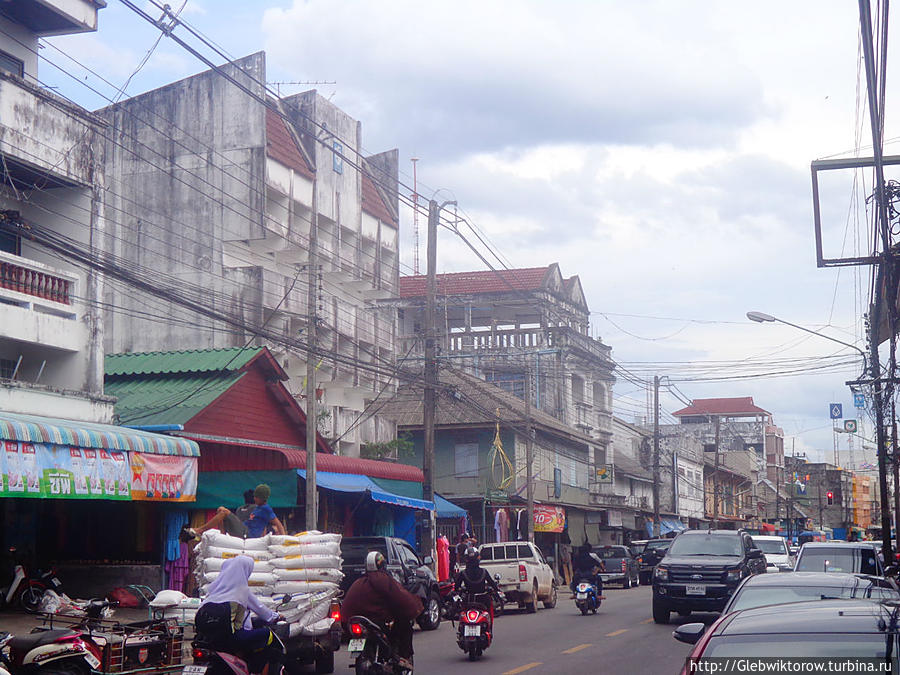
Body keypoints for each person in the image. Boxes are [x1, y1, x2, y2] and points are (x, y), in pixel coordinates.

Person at [194, 556, 283, 674]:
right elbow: (262, 611)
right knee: (267, 635)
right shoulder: (241, 591)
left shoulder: (215, 589)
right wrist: (276, 616)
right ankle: (257, 670)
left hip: (209, 639)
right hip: (233, 637)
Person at [341, 551, 423, 671]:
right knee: (403, 625)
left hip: (352, 622)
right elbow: (401, 598)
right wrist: (415, 605)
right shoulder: (384, 580)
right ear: (382, 565)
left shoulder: (359, 582)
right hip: (374, 622)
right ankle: (403, 658)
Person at [184, 484, 285, 540]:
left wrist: (284, 539)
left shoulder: (266, 509)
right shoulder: (257, 507)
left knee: (224, 512)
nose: (254, 498)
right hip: (243, 529)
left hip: (247, 534)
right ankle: (223, 535)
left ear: (263, 498)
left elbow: (279, 524)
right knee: (220, 509)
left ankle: (200, 530)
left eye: (256, 497)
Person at [454, 546, 502, 620]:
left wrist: (458, 592)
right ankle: (489, 629)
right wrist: (496, 590)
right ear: (478, 558)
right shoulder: (484, 571)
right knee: (490, 611)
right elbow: (492, 584)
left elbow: (456, 587)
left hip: (468, 600)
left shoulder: (463, 573)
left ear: (466, 559)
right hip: (482, 600)